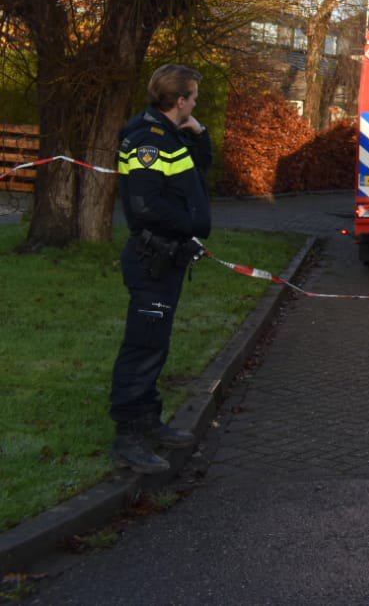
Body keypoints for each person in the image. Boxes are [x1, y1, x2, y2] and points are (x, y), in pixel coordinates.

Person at [109, 63, 213, 474]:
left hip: (168, 256)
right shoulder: (147, 139)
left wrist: (199, 131)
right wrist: (191, 228)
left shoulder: (170, 134)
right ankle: (129, 435)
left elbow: (199, 171)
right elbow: (145, 204)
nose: (196, 104)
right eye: (194, 98)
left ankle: (149, 421)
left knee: (156, 344)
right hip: (152, 257)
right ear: (181, 99)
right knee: (143, 345)